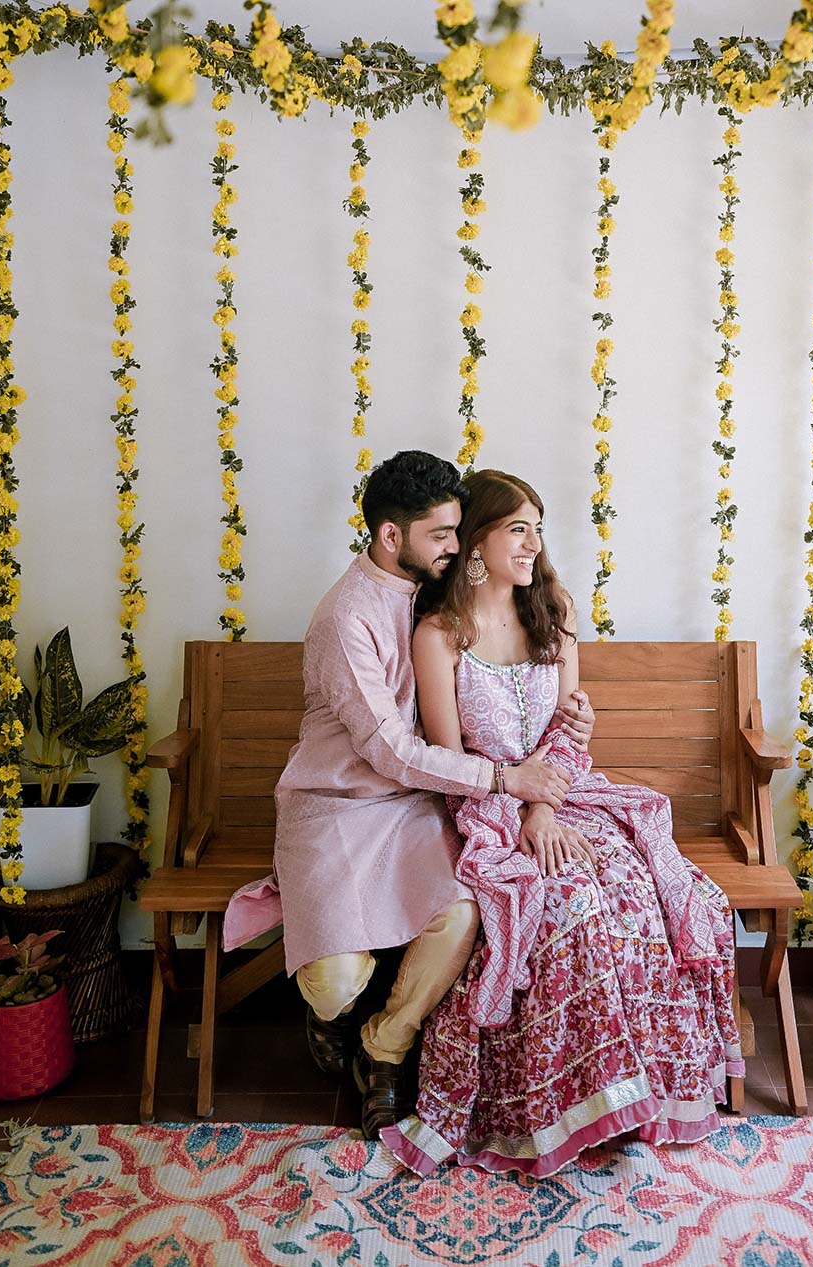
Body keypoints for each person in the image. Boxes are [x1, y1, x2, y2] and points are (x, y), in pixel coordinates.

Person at [381, 469, 744, 1177]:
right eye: (518, 529)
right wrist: (518, 812)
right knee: (564, 905)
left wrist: (546, 807)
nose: (534, 545)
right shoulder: (439, 635)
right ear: (476, 542)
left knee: (640, 893)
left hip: (564, 797)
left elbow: (570, 734)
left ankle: (639, 1099)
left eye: (538, 530)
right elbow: (449, 764)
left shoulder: (555, 609)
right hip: (484, 810)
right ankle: (562, 1108)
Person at [223, 451, 592, 1138]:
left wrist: (565, 731)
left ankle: (385, 1048)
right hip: (335, 804)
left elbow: (502, 648)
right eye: (442, 535)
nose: (455, 545)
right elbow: (390, 749)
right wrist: (507, 779)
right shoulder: (347, 617)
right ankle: (331, 1013)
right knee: (334, 983)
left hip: (417, 800)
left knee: (463, 912)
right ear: (392, 536)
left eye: (458, 531)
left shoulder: (434, 589)